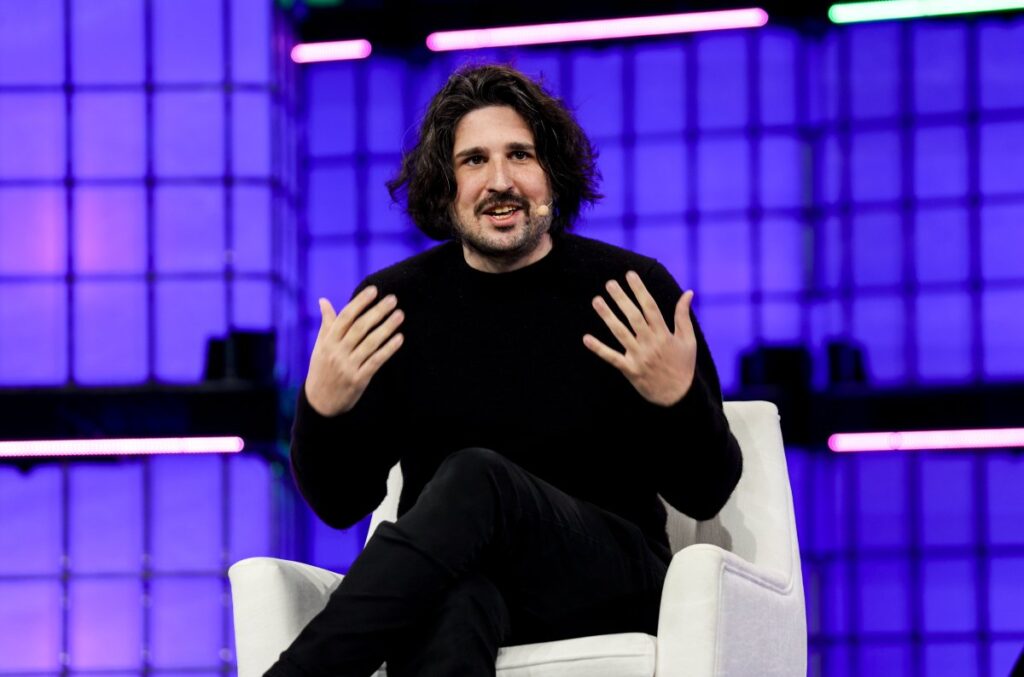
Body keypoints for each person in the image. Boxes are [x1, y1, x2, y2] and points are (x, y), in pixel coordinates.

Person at [265, 63, 743, 677]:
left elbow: (706, 492)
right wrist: (323, 411)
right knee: (450, 606)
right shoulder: (395, 305)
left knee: (477, 477)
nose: (499, 181)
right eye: (474, 160)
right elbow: (340, 505)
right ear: (446, 185)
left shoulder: (631, 291)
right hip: (469, 578)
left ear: (552, 174)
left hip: (609, 578)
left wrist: (677, 399)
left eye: (520, 155)